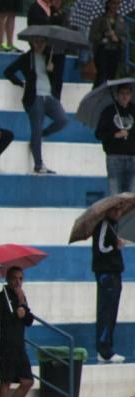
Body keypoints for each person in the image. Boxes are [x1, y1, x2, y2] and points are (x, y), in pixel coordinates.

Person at [4, 35, 67, 174]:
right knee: (36, 129)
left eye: (42, 42)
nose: (39, 45)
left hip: (50, 96)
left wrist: (53, 70)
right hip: (35, 97)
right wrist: (22, 83)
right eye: (36, 42)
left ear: (46, 43)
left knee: (62, 120)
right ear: (31, 43)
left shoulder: (51, 56)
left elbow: (59, 77)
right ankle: (38, 164)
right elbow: (8, 72)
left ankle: (41, 135)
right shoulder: (27, 57)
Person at [0, 266, 35, 397]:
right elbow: (1, 322)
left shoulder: (21, 297)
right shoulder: (1, 298)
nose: (18, 282)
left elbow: (28, 320)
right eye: (14, 279)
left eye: (20, 279)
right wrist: (15, 314)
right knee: (6, 380)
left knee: (27, 381)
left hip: (19, 345)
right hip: (6, 345)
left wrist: (22, 304)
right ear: (8, 279)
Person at [91, 202, 126, 363]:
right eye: (116, 209)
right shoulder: (103, 225)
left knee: (112, 312)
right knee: (106, 311)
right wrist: (116, 246)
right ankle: (104, 350)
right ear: (109, 211)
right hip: (106, 274)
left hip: (115, 272)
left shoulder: (113, 226)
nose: (119, 212)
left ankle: (108, 347)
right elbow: (100, 248)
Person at [95, 83, 135, 196]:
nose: (125, 96)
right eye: (122, 93)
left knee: (131, 199)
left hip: (133, 158)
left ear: (131, 95)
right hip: (114, 158)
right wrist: (114, 135)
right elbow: (98, 134)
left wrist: (130, 134)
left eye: (127, 93)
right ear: (117, 95)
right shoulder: (108, 111)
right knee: (115, 197)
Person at [90, 0, 124, 87]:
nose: (115, 6)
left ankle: (109, 98)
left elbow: (124, 36)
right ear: (108, 4)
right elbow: (93, 36)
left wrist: (119, 39)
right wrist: (104, 35)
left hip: (115, 51)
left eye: (117, 4)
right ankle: (96, 97)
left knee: (112, 77)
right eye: (113, 3)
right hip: (103, 51)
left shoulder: (120, 19)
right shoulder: (100, 18)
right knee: (101, 76)